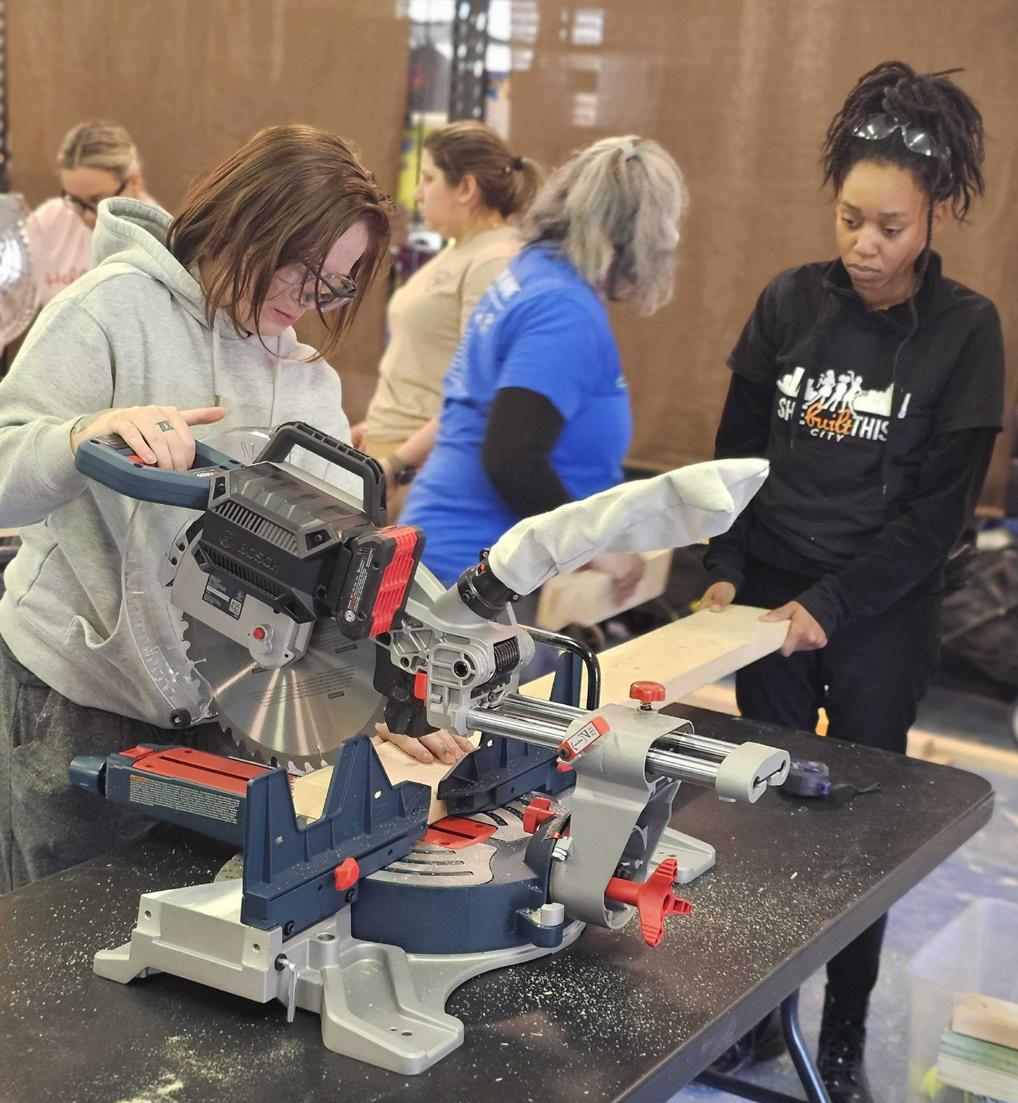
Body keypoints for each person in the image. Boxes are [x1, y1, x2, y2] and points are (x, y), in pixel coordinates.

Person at [0, 124, 468, 894]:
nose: (306, 301)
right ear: (245, 220)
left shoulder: (308, 383)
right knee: (62, 936)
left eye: (333, 285)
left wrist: (396, 690)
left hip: (230, 715)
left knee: (200, 933)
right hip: (80, 702)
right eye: (300, 270)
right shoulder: (109, 310)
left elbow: (334, 574)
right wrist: (82, 435)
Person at [699, 62, 1003, 1103]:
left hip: (881, 605)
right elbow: (735, 456)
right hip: (771, 594)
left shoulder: (967, 331)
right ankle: (755, 1013)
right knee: (769, 806)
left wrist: (831, 604)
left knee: (860, 831)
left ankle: (839, 1034)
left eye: (889, 226)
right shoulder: (788, 301)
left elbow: (937, 517)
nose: (864, 244)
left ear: (935, 216)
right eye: (848, 219)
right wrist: (724, 568)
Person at [395, 135, 686, 599]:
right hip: (479, 573)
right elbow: (512, 458)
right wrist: (591, 549)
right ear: (639, 235)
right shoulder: (563, 310)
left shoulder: (534, 270)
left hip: (463, 559)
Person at [353, 121, 542, 510]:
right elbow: (428, 364)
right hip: (395, 453)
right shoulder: (463, 251)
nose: (418, 193)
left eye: (428, 178)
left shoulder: (494, 260)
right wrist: (378, 429)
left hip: (419, 470)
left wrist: (398, 463)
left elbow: (480, 389)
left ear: (466, 188)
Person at [26, 121, 156, 310]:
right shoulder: (47, 222)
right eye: (75, 200)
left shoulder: (158, 240)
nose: (86, 216)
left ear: (134, 182)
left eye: (98, 201)